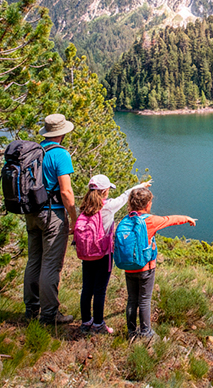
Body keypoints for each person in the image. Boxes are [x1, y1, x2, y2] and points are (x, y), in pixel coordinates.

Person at [76, 175, 152, 334]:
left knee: (87, 288)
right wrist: (141, 186)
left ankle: (86, 322)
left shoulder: (84, 207)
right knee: (99, 290)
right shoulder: (108, 206)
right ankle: (98, 324)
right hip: (103, 255)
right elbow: (125, 196)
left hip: (86, 254)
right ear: (105, 191)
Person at [121, 187, 196, 340]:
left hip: (129, 267)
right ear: (148, 204)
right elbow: (169, 220)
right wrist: (187, 218)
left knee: (132, 299)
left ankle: (131, 331)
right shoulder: (150, 220)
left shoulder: (125, 220)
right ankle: (146, 333)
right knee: (144, 300)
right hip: (146, 268)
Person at [24, 113, 77, 324]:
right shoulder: (60, 154)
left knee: (34, 260)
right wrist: (74, 218)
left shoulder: (33, 152)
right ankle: (49, 315)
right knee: (51, 264)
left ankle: (31, 309)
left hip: (31, 213)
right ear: (62, 133)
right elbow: (66, 192)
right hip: (52, 214)